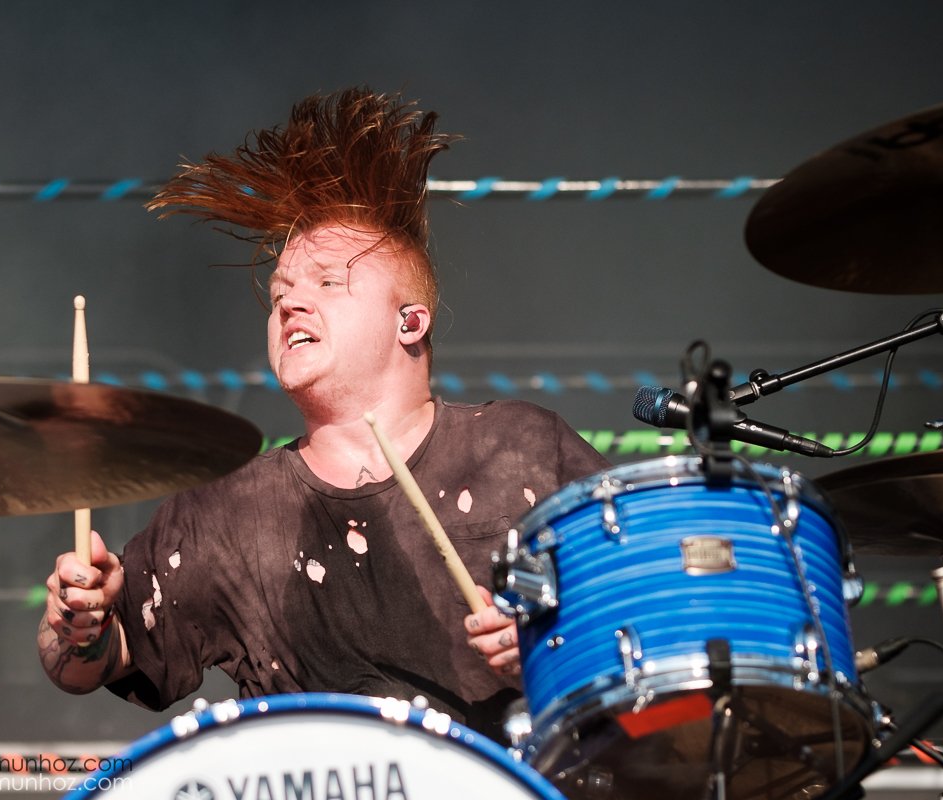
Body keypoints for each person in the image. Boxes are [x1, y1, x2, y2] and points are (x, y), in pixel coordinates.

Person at [37, 87, 609, 740]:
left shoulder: (520, 449)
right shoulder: (228, 512)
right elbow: (87, 665)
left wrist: (554, 646)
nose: (289, 304)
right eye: (280, 292)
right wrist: (78, 628)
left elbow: (654, 612)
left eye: (329, 283)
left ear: (410, 321)